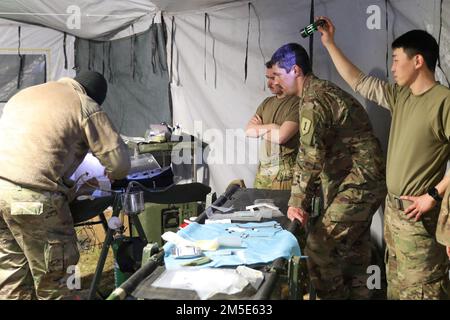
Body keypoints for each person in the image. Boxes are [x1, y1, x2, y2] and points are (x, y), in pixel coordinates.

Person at [318, 16, 450, 299]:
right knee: (398, 289)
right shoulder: (400, 97)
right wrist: (329, 43)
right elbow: (360, 82)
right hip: (394, 214)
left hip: (419, 219)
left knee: (423, 291)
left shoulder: (444, 101)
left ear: (418, 61)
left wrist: (434, 195)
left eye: (396, 59)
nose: (392, 67)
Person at [0, 71, 131, 300]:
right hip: (33, 197)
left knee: (13, 275)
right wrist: (111, 174)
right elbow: (119, 165)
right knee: (57, 279)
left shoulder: (25, 94)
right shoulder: (84, 104)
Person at [270, 43, 386, 299]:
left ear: (295, 70)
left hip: (360, 182)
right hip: (361, 180)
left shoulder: (313, 100)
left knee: (319, 245)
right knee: (355, 250)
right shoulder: (320, 92)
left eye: (277, 75)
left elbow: (310, 155)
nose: (273, 83)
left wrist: (297, 202)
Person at [246, 61, 300, 190]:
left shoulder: (297, 103)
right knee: (258, 209)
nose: (269, 83)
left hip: (284, 175)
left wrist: (260, 130)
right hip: (263, 172)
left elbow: (281, 137)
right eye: (268, 78)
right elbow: (248, 131)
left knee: (281, 210)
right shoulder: (266, 103)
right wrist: (272, 127)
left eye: (273, 78)